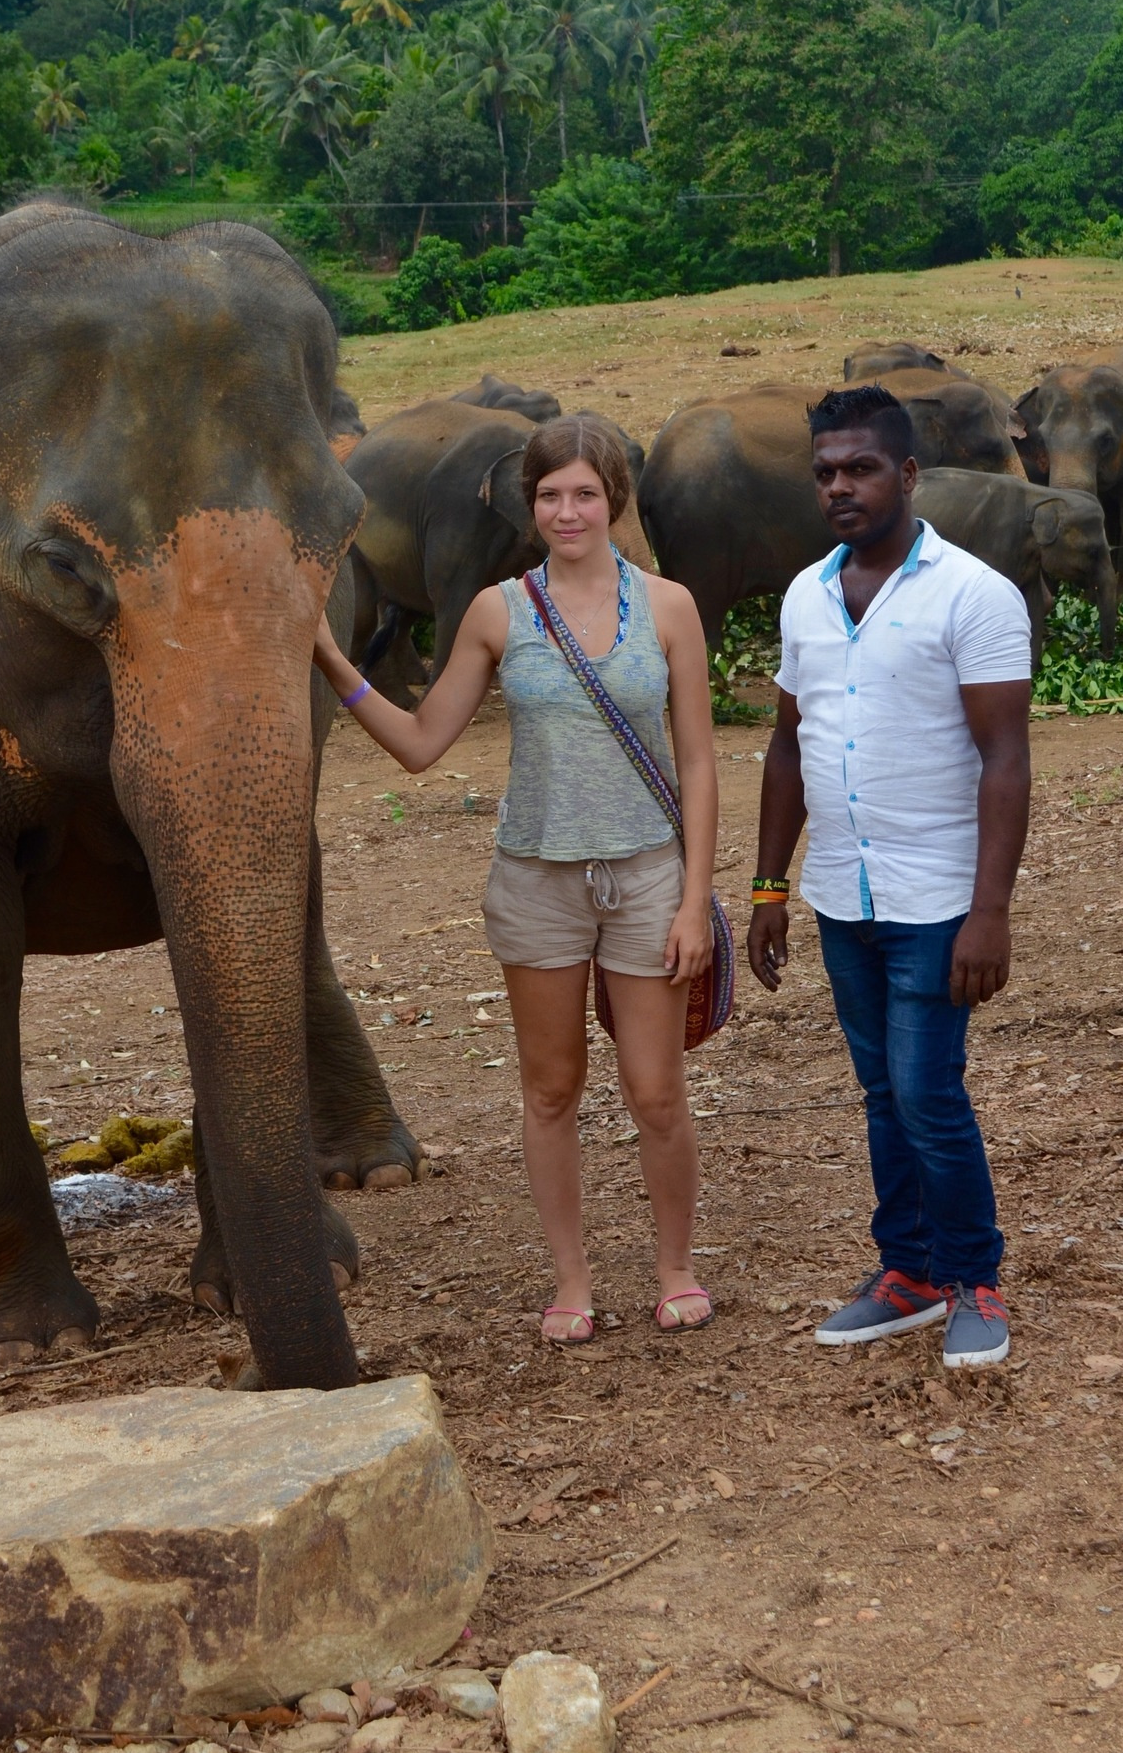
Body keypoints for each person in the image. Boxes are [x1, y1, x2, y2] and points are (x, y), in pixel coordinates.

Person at [314, 414, 719, 1341]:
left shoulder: (668, 607)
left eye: (584, 493)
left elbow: (698, 763)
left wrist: (696, 898)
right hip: (538, 882)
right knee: (550, 1089)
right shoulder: (501, 611)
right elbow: (421, 744)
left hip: (648, 875)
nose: (567, 511)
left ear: (614, 499)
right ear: (524, 503)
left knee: (655, 1091)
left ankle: (675, 1266)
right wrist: (334, 660)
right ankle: (571, 1279)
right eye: (549, 495)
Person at [747, 385, 1031, 1369]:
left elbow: (1005, 758)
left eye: (860, 467)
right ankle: (905, 1272)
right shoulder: (803, 596)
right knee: (880, 1091)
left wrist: (989, 911)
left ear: (907, 475)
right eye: (825, 470)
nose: (839, 486)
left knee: (925, 1091)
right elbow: (788, 748)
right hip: (841, 893)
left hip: (936, 899)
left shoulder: (973, 595)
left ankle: (974, 1278)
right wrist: (768, 889)